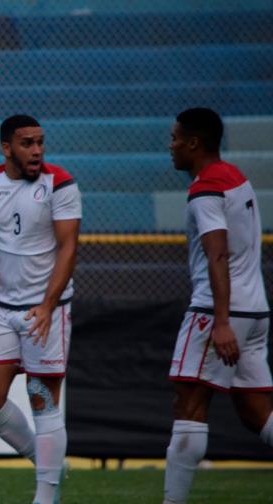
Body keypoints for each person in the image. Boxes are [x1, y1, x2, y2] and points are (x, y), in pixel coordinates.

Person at [0, 114, 81, 504]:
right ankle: (47, 463)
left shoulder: (60, 182)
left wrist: (48, 306)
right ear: (7, 147)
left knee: (41, 397)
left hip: (44, 309)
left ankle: (46, 496)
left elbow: (68, 248)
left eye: (41, 142)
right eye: (27, 143)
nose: (37, 151)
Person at [163, 108, 273, 504]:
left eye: (175, 138)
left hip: (218, 313)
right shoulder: (236, 178)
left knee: (188, 403)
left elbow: (218, 255)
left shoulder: (205, 189)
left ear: (194, 143)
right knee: (256, 412)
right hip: (256, 311)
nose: (170, 145)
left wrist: (221, 322)